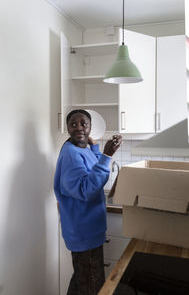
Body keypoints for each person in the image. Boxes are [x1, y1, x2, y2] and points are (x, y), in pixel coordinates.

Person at [54, 109, 122, 295]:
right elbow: (85, 190)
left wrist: (94, 147)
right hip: (84, 233)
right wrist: (107, 156)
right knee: (92, 285)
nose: (79, 128)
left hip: (88, 230)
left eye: (84, 124)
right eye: (73, 124)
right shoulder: (71, 154)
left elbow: (90, 166)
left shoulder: (78, 148)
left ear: (91, 126)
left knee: (81, 279)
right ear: (67, 127)